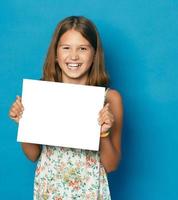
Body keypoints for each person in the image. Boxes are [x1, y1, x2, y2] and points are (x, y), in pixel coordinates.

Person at [9, 16, 123, 199]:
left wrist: (103, 133)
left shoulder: (109, 99)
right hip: (49, 191)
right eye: (66, 48)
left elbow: (111, 165)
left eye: (83, 49)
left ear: (95, 54)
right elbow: (33, 155)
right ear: (55, 53)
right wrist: (22, 123)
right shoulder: (41, 93)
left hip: (91, 193)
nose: (74, 56)